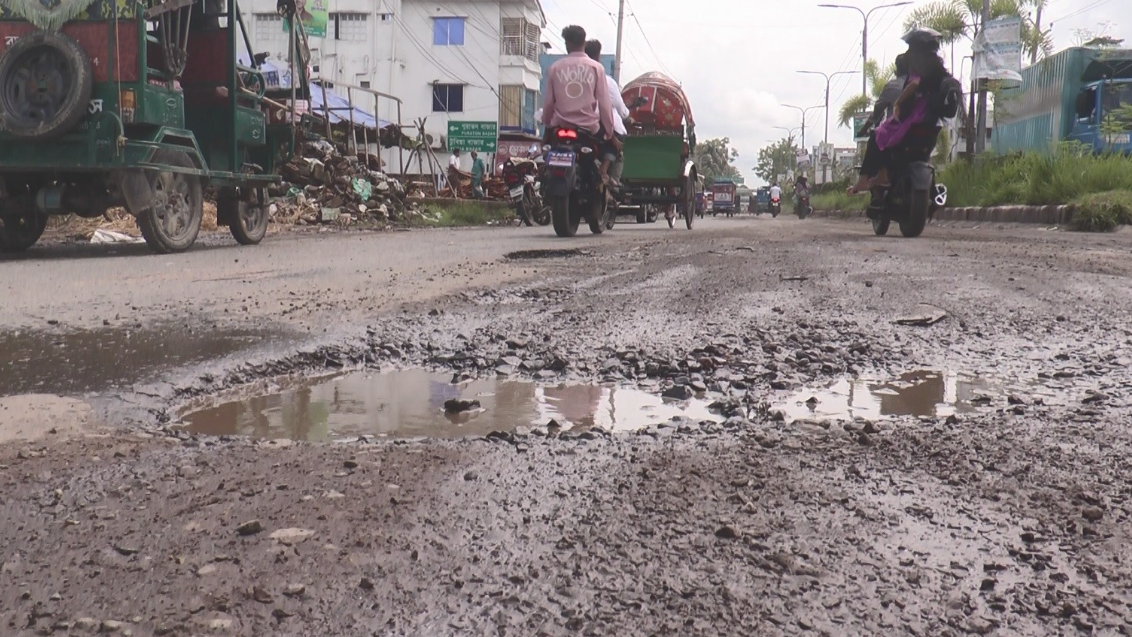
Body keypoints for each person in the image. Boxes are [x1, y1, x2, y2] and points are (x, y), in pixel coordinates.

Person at [849, 29, 947, 195]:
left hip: (913, 120)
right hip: (932, 124)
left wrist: (899, 102)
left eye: (911, 49)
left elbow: (914, 85)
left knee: (879, 135)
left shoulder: (917, 69)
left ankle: (869, 178)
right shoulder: (939, 69)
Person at [542, 25, 619, 184]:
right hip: (588, 129)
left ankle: (542, 179)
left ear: (567, 44)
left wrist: (547, 123)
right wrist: (609, 131)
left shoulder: (555, 68)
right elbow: (604, 105)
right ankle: (602, 179)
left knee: (544, 151)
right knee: (611, 149)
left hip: (559, 127)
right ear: (584, 42)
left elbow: (549, 103)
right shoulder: (596, 68)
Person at [584, 39, 631, 187]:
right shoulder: (607, 82)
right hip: (600, 127)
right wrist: (627, 116)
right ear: (598, 56)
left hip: (576, 125)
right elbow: (620, 110)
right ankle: (606, 175)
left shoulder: (573, 76)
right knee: (616, 147)